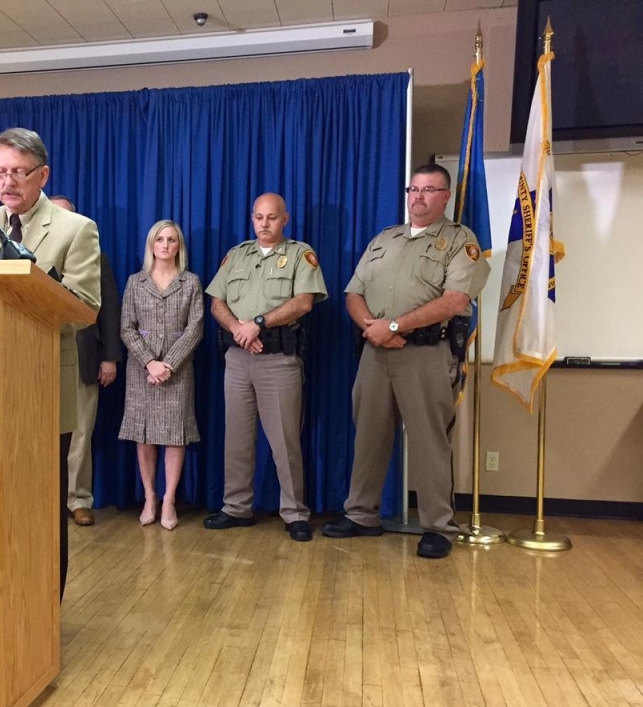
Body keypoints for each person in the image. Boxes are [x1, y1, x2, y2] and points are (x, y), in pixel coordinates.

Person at [0, 128, 101, 599]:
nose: (8, 182)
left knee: (39, 506)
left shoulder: (75, 229)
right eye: (0, 172)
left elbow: (84, 307)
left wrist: (34, 291)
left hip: (40, 386)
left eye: (18, 172)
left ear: (43, 174)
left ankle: (42, 612)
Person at [322, 163, 489, 559]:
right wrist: (373, 327)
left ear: (445, 197)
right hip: (376, 353)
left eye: (429, 190)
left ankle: (438, 526)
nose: (418, 197)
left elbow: (455, 300)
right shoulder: (385, 239)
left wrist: (395, 324)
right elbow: (353, 292)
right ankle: (361, 514)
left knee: (430, 442)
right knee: (368, 435)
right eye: (413, 189)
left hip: (427, 354)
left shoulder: (460, 241)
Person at [204, 193, 327, 541]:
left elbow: (304, 302)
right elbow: (217, 303)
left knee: (285, 441)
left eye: (271, 217)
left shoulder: (301, 255)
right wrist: (239, 331)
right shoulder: (236, 255)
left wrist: (258, 323)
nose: (264, 224)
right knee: (237, 439)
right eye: (258, 217)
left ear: (285, 219)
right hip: (238, 358)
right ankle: (236, 508)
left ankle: (294, 513)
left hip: (279, 360)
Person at [119, 221, 204, 531]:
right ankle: (149, 496)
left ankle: (169, 499)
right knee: (143, 435)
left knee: (174, 435)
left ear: (178, 246)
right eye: (160, 239)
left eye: (171, 239)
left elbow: (195, 329)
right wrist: (149, 363)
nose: (165, 245)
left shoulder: (191, 283)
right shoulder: (135, 282)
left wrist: (167, 364)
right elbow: (126, 327)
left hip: (176, 372)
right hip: (141, 372)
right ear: (151, 245)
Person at [50, 195, 121, 528]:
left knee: (79, 433)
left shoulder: (96, 257)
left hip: (84, 356)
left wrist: (109, 357)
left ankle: (78, 499)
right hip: (37, 357)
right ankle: (43, 499)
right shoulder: (26, 255)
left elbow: (108, 310)